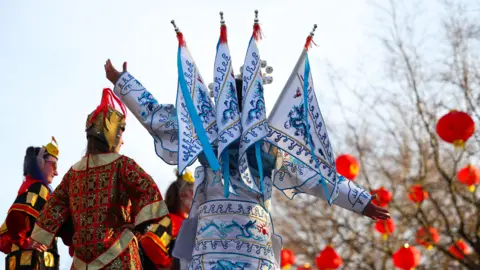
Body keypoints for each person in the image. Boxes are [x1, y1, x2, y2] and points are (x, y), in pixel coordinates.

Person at [106, 28, 390, 268]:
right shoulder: (268, 143)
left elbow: (156, 117)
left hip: (211, 243)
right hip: (254, 245)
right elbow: (314, 175)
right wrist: (361, 201)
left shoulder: (209, 132)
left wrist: (123, 82)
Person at [29, 88, 168, 269]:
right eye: (121, 134)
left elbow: (53, 209)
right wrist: (139, 227)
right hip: (119, 258)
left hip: (81, 264)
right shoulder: (123, 165)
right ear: (113, 134)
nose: (123, 141)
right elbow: (149, 192)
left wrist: (39, 238)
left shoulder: (73, 174)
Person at [0, 137, 69, 269]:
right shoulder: (38, 188)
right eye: (53, 164)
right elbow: (15, 219)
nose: (56, 172)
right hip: (34, 263)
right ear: (41, 162)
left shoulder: (29, 187)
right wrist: (24, 242)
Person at [139, 169, 194, 269]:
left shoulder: (188, 222)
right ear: (182, 195)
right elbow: (148, 241)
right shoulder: (171, 221)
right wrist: (169, 265)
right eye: (193, 192)